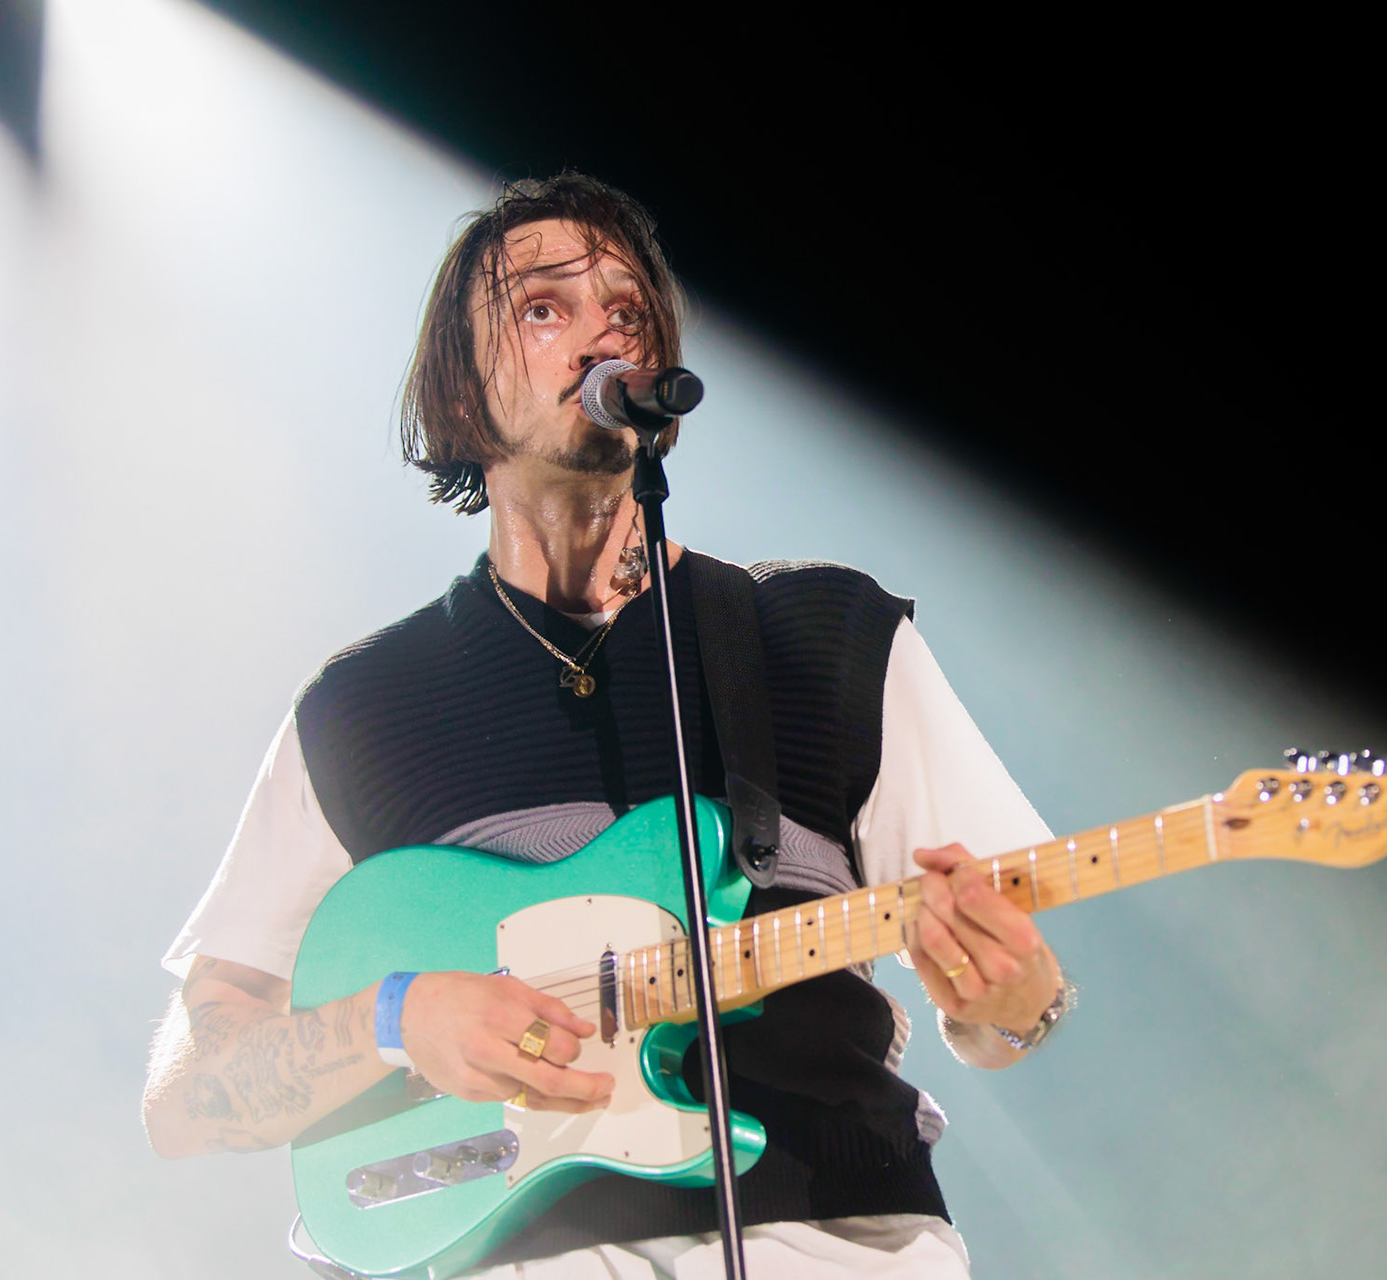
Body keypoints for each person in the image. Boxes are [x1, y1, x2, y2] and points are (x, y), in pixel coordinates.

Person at [140, 172, 1070, 1279]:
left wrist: (1007, 1007)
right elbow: (190, 1092)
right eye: (544, 307)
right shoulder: (361, 708)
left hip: (832, 1238)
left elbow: (1012, 976)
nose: (599, 336)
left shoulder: (827, 634)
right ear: (458, 392)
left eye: (626, 311)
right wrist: (397, 1016)